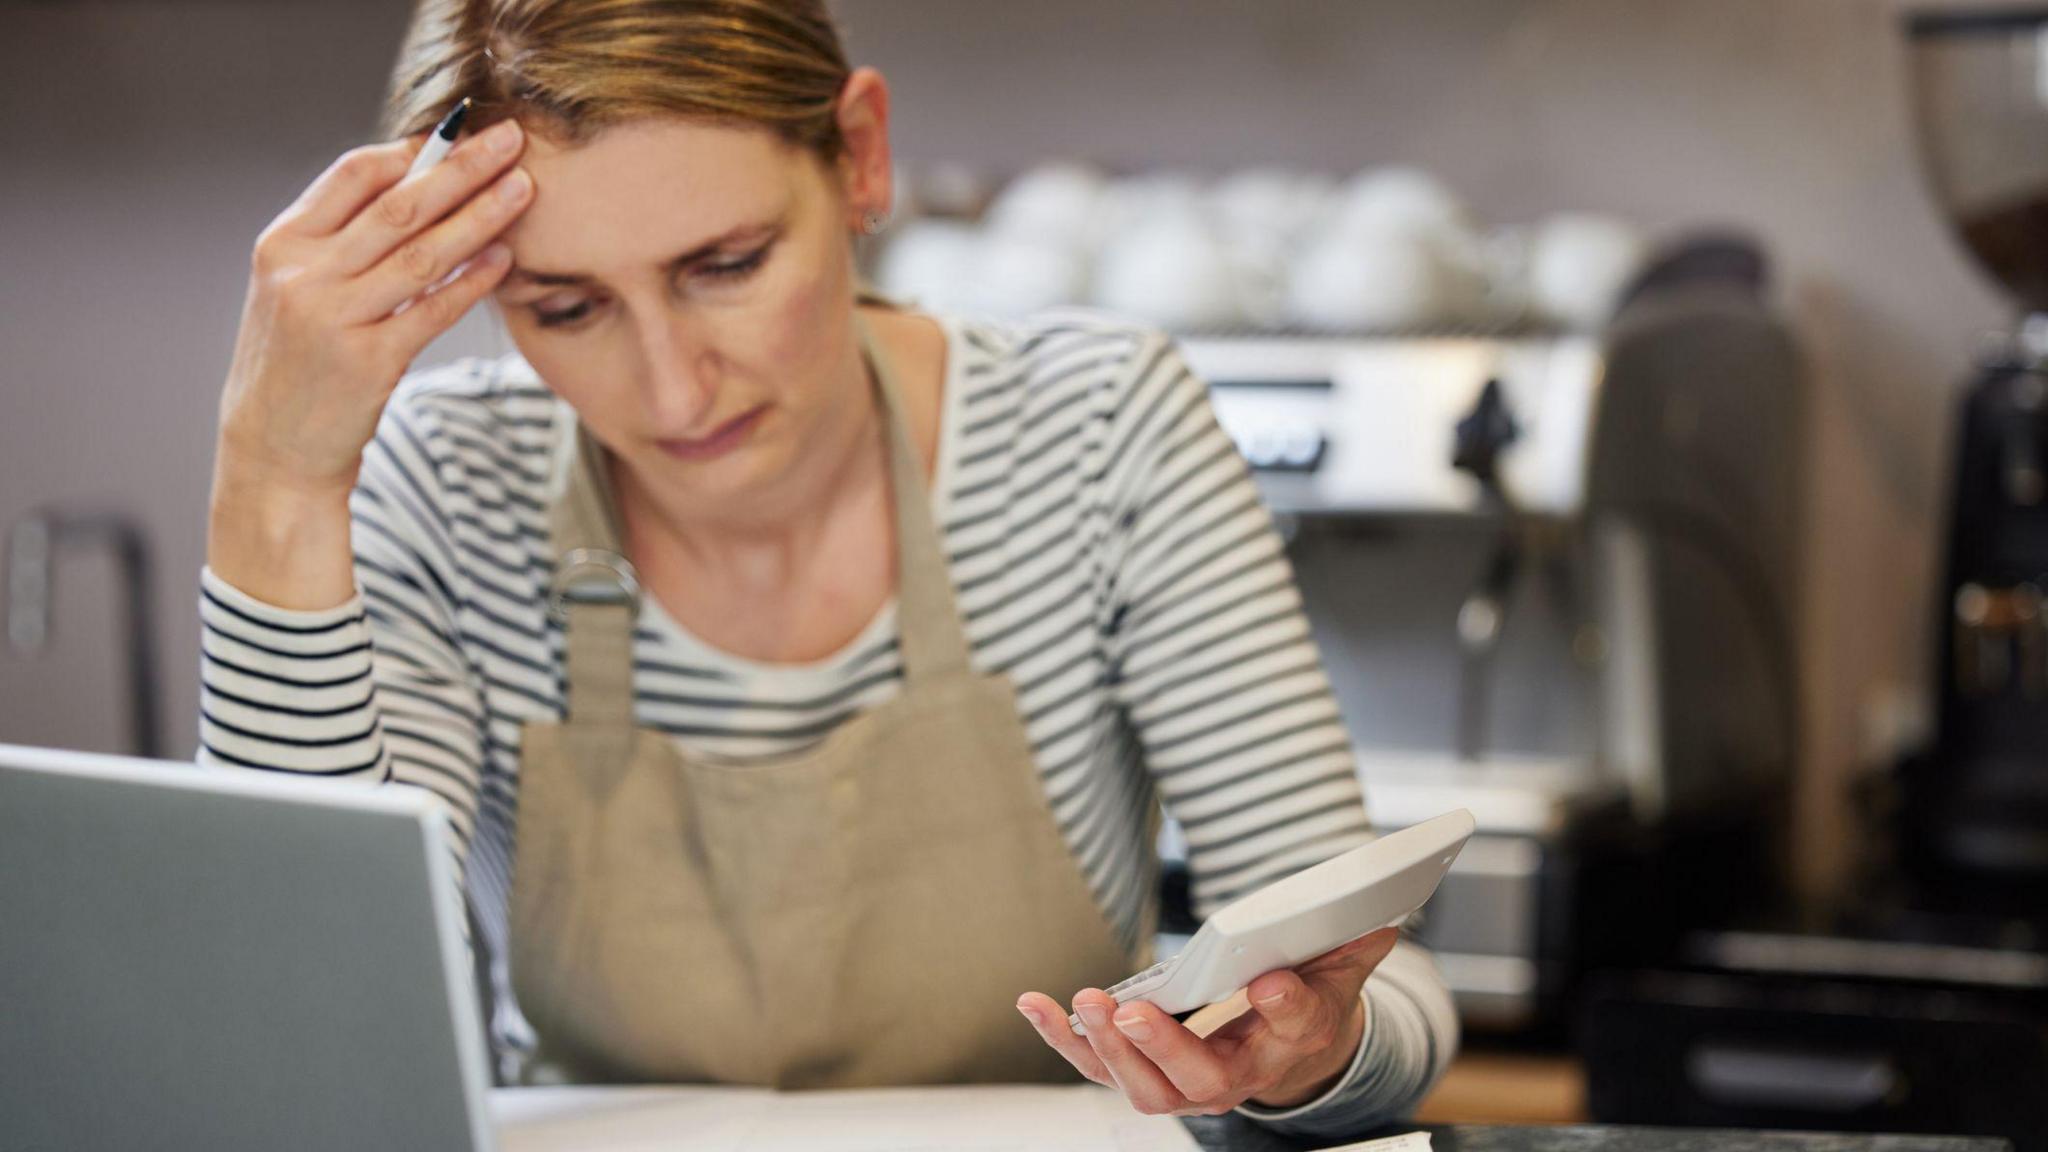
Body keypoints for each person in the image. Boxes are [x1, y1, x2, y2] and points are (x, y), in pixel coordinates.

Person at [199, 0, 1456, 1134]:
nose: (671, 387)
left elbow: (1380, 989)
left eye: (726, 267)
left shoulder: (1096, 431)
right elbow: (285, 1037)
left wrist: (1302, 1051)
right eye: (564, 309)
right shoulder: (446, 481)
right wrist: (276, 476)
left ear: (859, 156)